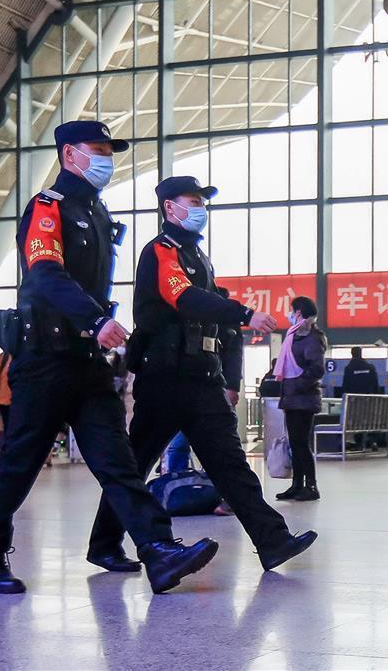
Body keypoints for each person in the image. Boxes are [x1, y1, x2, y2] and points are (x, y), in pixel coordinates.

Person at [0, 121, 218, 596]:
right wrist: (96, 319)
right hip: (45, 357)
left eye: (109, 151)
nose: (106, 159)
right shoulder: (48, 207)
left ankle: (158, 550)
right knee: (21, 461)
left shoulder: (96, 212)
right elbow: (44, 274)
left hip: (85, 359)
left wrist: (96, 328)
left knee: (117, 460)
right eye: (97, 150)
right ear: (69, 154)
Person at [88, 176, 316, 571]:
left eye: (202, 202)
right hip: (164, 379)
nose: (200, 209)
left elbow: (210, 309)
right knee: (135, 464)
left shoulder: (197, 257)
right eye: (192, 201)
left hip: (201, 377)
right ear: (169, 207)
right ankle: (105, 544)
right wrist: (245, 313)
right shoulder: (161, 251)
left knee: (230, 463)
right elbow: (185, 298)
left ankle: (272, 540)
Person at [274, 296, 326, 502]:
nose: (289, 314)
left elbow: (317, 369)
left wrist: (296, 386)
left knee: (301, 443)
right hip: (293, 398)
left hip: (303, 399)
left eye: (291, 310)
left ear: (298, 312)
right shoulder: (294, 335)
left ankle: (311, 486)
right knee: (295, 443)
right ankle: (297, 485)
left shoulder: (312, 337)